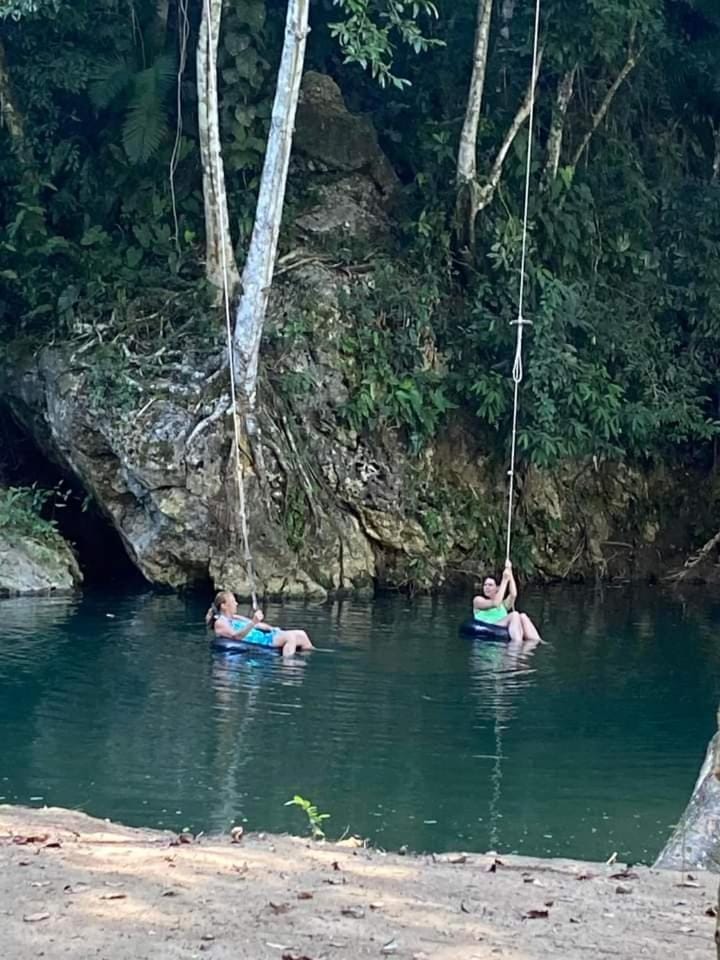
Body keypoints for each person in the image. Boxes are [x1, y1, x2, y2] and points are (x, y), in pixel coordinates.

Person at [206, 591, 314, 658]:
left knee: (302, 635)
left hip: (264, 636)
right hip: (260, 641)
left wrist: (274, 629)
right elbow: (236, 636)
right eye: (233, 601)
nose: (236, 604)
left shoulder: (236, 618)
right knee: (289, 637)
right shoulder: (220, 622)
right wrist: (253, 622)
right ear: (223, 605)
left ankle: (307, 657)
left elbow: (258, 625)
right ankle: (288, 667)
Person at [472, 560, 542, 645]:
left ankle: (537, 641)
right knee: (514, 615)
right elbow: (495, 603)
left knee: (522, 616)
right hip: (491, 626)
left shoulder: (503, 605)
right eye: (485, 585)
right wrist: (504, 580)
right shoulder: (478, 600)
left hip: (501, 626)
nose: (487, 587)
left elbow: (513, 595)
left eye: (490, 585)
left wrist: (510, 573)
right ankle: (517, 645)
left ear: (497, 588)